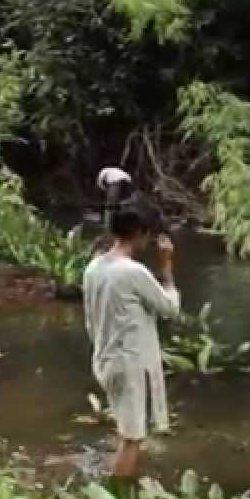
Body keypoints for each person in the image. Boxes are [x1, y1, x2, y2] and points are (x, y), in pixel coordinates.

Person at [82, 200, 179, 478]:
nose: (149, 241)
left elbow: (91, 316)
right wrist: (167, 268)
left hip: (106, 358)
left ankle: (119, 486)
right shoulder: (133, 272)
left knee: (127, 430)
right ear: (140, 233)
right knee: (133, 439)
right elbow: (170, 309)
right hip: (128, 365)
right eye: (148, 234)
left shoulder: (94, 267)